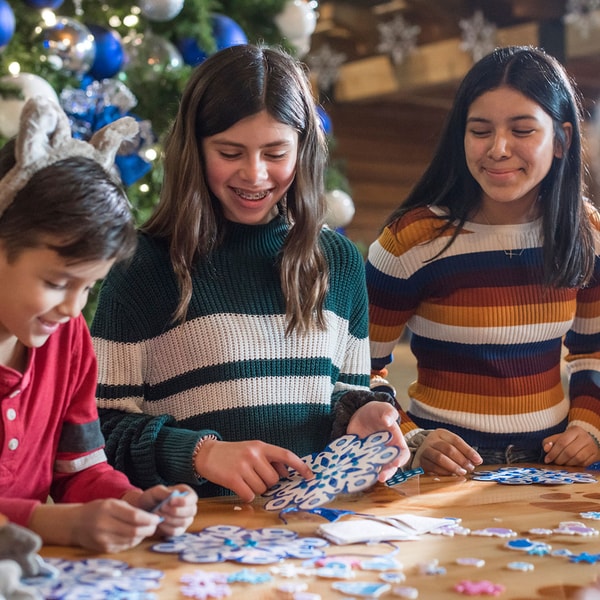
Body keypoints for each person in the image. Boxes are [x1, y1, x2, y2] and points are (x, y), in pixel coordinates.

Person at [91, 43, 409, 502]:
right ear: (194, 150)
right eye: (230, 152)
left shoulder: (336, 261)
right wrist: (200, 453)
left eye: (275, 152)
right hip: (196, 537)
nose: (255, 174)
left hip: (315, 534)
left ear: (303, 150)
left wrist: (360, 415)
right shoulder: (143, 265)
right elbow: (99, 430)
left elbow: (342, 391)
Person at [366, 45, 600, 476]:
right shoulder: (411, 241)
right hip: (441, 472)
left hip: (555, 468)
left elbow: (593, 353)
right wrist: (414, 437)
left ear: (562, 140)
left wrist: (588, 428)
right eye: (480, 130)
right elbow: (358, 370)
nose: (498, 148)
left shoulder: (588, 233)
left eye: (523, 130)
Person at [0, 96, 198, 552]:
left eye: (88, 287)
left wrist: (134, 503)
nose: (73, 309)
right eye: (56, 281)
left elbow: (80, 470)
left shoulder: (66, 340)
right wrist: (58, 525)